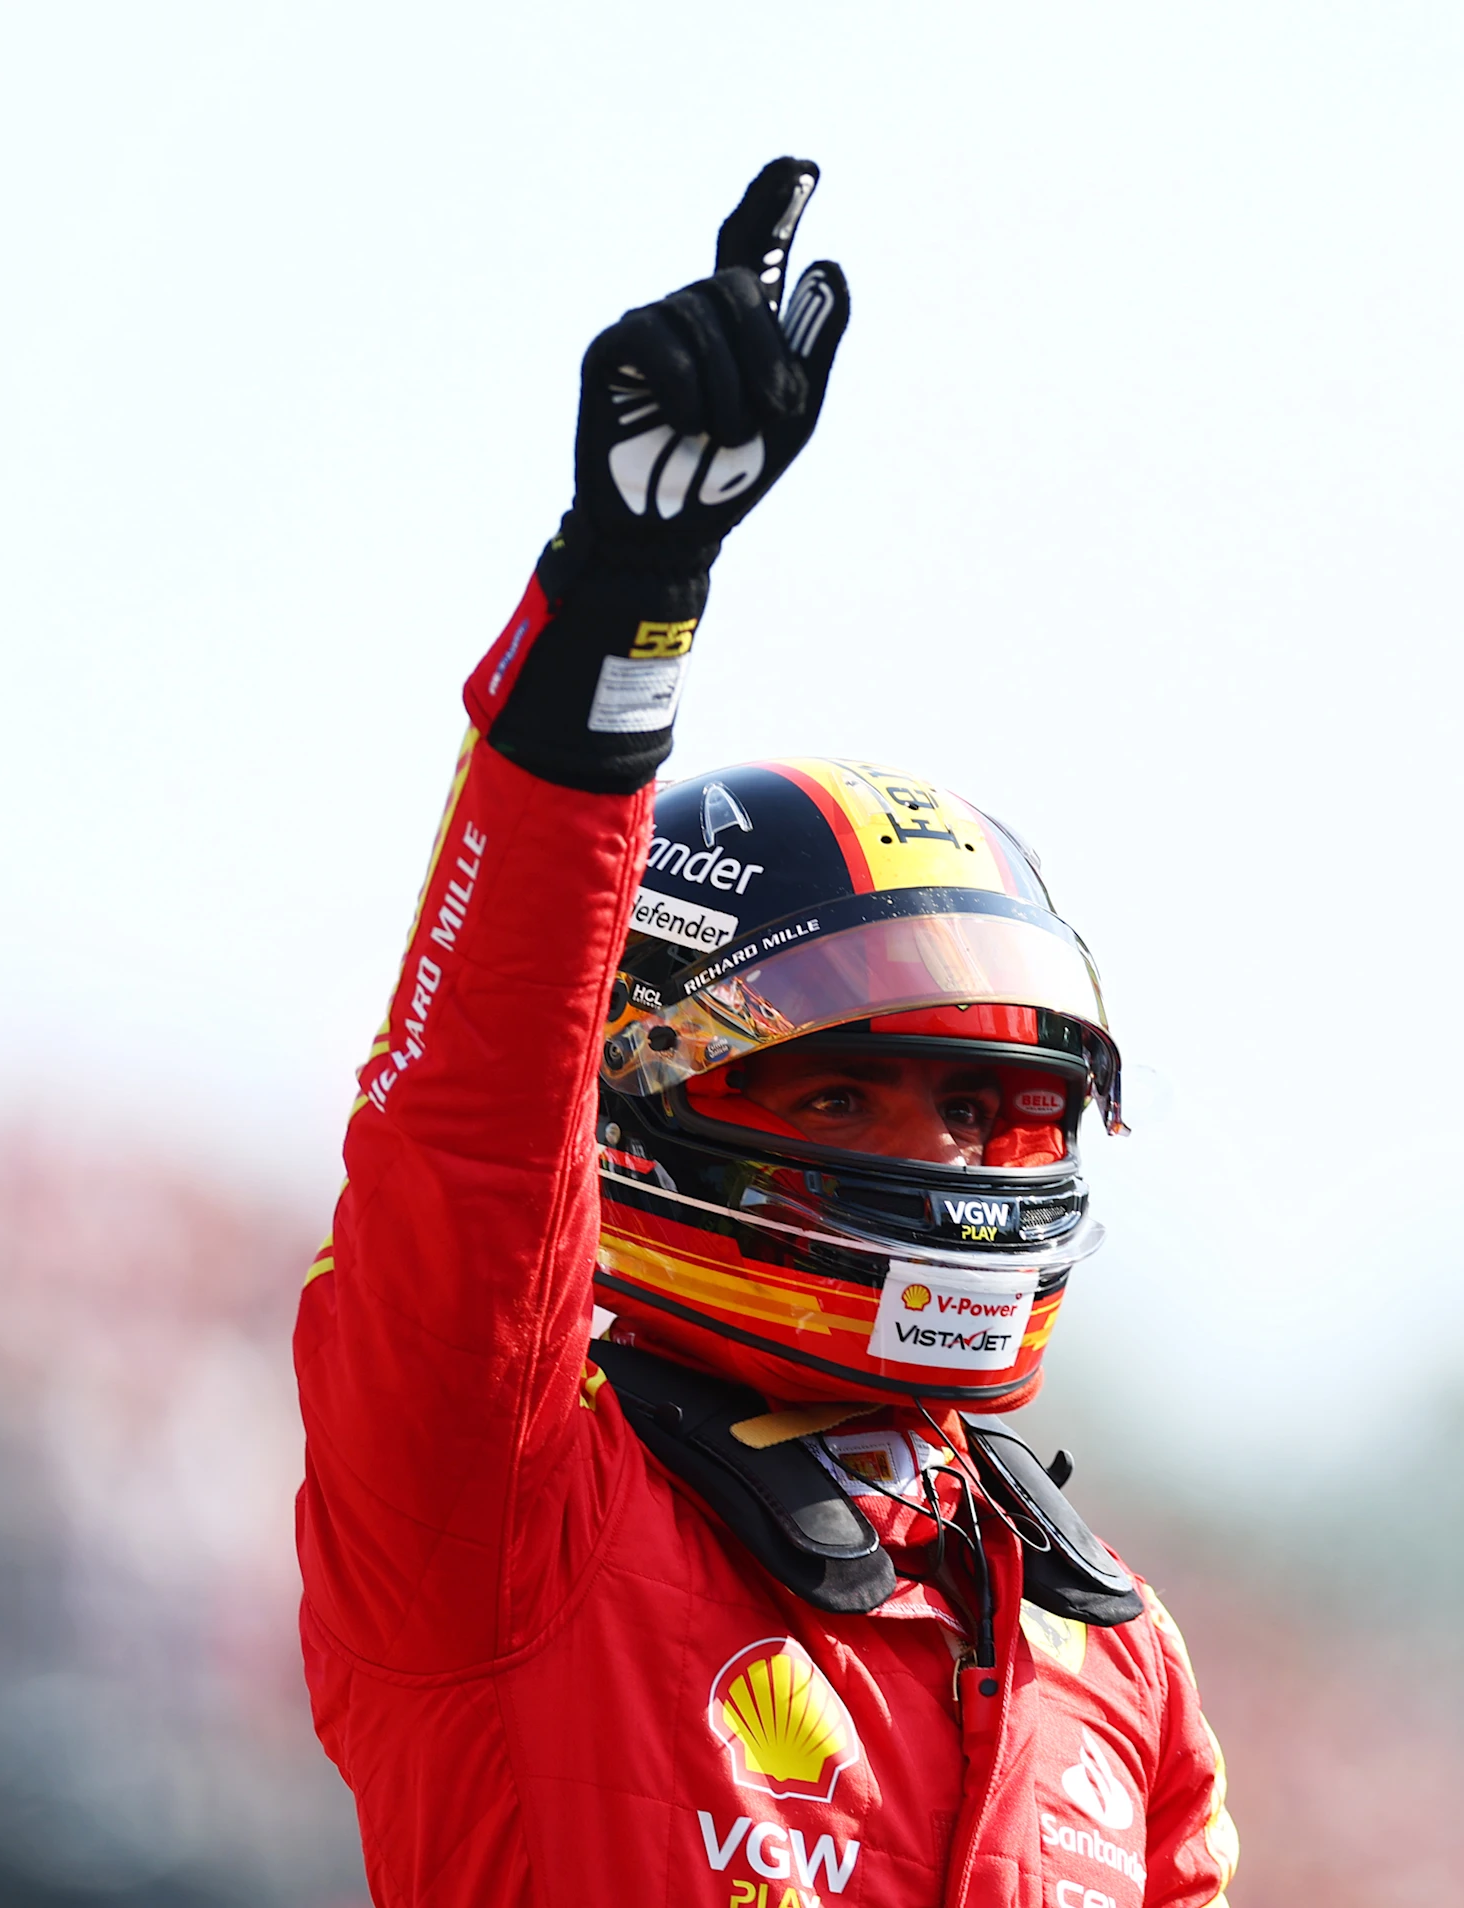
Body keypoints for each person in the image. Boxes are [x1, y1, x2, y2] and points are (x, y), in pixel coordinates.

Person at [295, 159, 1240, 1908]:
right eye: (846, 1088)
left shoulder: (1113, 1655)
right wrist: (621, 607)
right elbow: (472, 1129)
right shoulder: (500, 1517)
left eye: (984, 1106)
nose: (936, 1160)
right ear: (657, 1104)